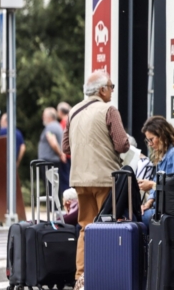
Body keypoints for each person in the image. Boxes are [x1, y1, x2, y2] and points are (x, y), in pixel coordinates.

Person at [62, 71, 130, 290]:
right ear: (102, 90)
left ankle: (81, 278)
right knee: (108, 228)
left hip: (80, 180)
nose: (112, 90)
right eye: (111, 86)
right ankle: (106, 275)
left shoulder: (73, 112)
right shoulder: (108, 110)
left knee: (85, 227)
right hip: (104, 179)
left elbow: (66, 148)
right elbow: (121, 145)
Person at [138, 116, 174, 226]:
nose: (149, 144)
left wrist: (152, 185)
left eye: (151, 139)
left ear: (162, 136)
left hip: (171, 213)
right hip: (163, 210)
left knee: (134, 218)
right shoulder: (165, 155)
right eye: (147, 140)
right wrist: (148, 202)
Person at [38, 107, 68, 194]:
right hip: (52, 161)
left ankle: (52, 207)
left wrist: (60, 154)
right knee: (54, 187)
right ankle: (54, 206)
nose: (42, 118)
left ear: (49, 117)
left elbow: (53, 142)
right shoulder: (57, 126)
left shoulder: (50, 127)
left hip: (48, 162)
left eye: (44, 116)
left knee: (50, 188)